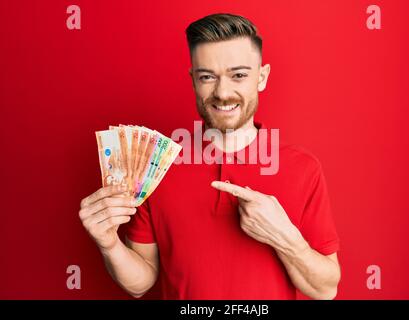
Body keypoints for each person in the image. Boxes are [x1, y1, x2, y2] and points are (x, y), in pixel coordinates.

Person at [79, 13, 341, 300]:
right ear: (193, 81)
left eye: (239, 75)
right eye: (207, 77)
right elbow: (141, 282)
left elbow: (325, 290)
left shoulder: (303, 168)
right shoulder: (157, 165)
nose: (223, 92)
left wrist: (286, 238)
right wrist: (109, 245)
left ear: (261, 78)